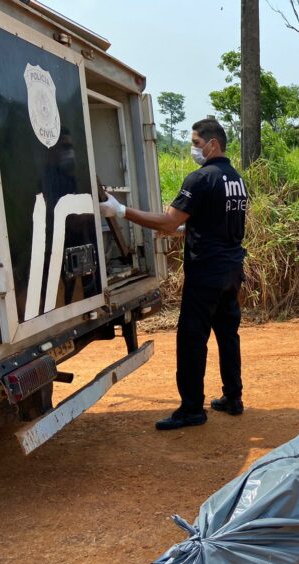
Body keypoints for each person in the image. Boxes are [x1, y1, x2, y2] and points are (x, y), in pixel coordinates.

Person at [99, 118, 248, 430]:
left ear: (213, 144)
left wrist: (121, 211)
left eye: (196, 143)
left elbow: (168, 221)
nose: (193, 149)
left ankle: (192, 409)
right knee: (227, 335)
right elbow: (215, 223)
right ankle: (233, 398)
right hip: (231, 270)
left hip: (206, 272)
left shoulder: (200, 178)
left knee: (192, 339)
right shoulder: (236, 179)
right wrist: (185, 231)